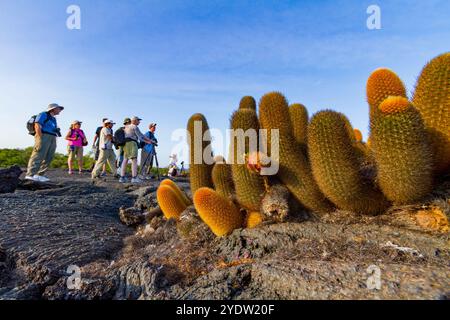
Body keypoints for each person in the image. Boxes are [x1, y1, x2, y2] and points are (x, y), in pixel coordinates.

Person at [25, 103, 64, 182]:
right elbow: (37, 125)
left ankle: (39, 175)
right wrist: (39, 138)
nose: (60, 110)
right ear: (53, 109)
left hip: (52, 137)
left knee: (49, 156)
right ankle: (30, 174)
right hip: (43, 136)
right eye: (58, 108)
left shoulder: (54, 119)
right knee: (38, 155)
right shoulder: (43, 114)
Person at [120, 116, 153, 184]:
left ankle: (122, 177)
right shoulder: (135, 127)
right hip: (132, 143)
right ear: (134, 120)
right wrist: (149, 142)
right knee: (134, 160)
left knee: (125, 160)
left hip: (126, 144)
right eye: (138, 120)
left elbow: (142, 136)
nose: (139, 122)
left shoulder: (126, 127)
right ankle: (134, 178)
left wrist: (149, 140)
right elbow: (140, 137)